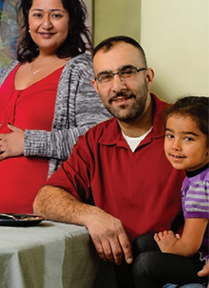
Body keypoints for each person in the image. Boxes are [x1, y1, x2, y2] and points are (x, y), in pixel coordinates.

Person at [33, 35, 185, 287]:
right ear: (96, 86)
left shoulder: (186, 125)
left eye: (127, 72)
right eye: (106, 77)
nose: (117, 86)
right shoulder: (95, 139)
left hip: (181, 270)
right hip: (119, 275)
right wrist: (92, 216)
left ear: (148, 77)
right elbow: (44, 200)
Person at [0, 0, 110, 214]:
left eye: (56, 15)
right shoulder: (10, 69)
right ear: (28, 20)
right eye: (38, 15)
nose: (45, 24)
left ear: (71, 20)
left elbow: (97, 137)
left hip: (43, 213)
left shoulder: (82, 69)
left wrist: (29, 143)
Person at [132, 96, 209, 288]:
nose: (175, 145)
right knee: (143, 243)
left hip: (203, 263)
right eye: (170, 135)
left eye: (188, 138)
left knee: (145, 266)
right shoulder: (198, 175)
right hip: (202, 251)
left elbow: (189, 247)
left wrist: (173, 247)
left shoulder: (201, 187)